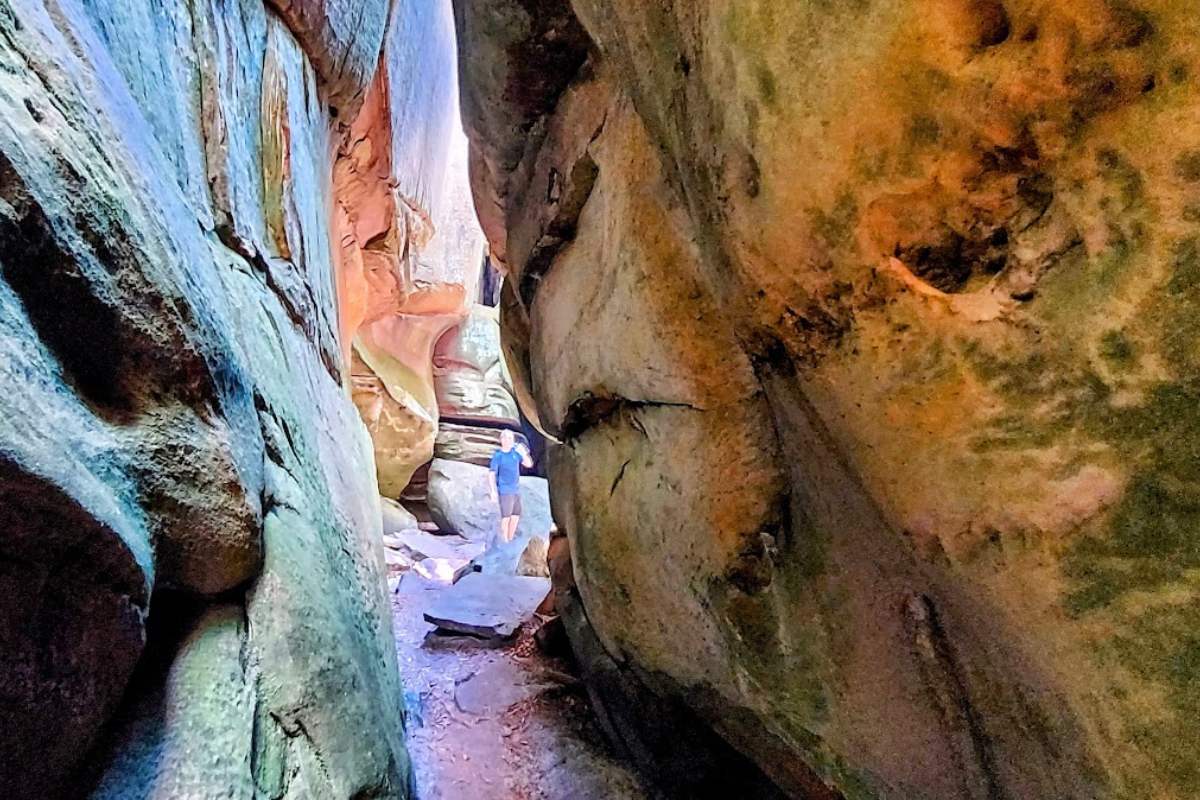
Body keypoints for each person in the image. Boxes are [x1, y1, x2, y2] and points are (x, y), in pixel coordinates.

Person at [488, 430, 533, 544]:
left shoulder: (515, 453)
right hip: (505, 490)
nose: (508, 441)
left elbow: (529, 464)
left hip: (516, 489)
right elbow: (492, 473)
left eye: (510, 438)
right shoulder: (498, 456)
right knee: (506, 517)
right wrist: (493, 491)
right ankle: (504, 541)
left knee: (516, 515)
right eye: (506, 438)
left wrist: (523, 453)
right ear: (501, 440)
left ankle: (510, 538)